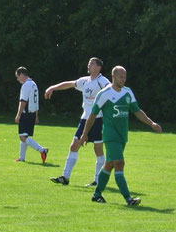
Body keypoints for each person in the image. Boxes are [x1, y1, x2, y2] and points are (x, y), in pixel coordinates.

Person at [80, 66, 161, 205]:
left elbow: (137, 111)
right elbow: (92, 115)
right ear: (113, 76)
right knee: (119, 163)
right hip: (110, 136)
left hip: (122, 135)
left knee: (109, 165)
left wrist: (151, 123)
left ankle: (97, 194)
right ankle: (128, 199)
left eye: (125, 77)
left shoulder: (128, 92)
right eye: (121, 77)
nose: (123, 80)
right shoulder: (104, 94)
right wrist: (84, 134)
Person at [45, 57, 110, 186]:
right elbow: (69, 84)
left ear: (98, 68)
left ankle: (97, 181)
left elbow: (111, 91)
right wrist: (53, 87)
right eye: (89, 63)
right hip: (84, 118)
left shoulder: (102, 81)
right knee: (74, 145)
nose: (89, 65)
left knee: (98, 150)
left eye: (92, 64)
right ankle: (65, 177)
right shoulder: (85, 81)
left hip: (98, 119)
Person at [14, 67, 48, 162]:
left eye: (17, 76)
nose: (17, 79)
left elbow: (23, 101)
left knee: (22, 136)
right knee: (25, 136)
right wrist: (36, 116)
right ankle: (22, 158)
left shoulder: (26, 85)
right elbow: (36, 102)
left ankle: (42, 150)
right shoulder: (34, 84)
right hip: (32, 113)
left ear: (21, 74)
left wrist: (18, 115)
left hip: (26, 113)